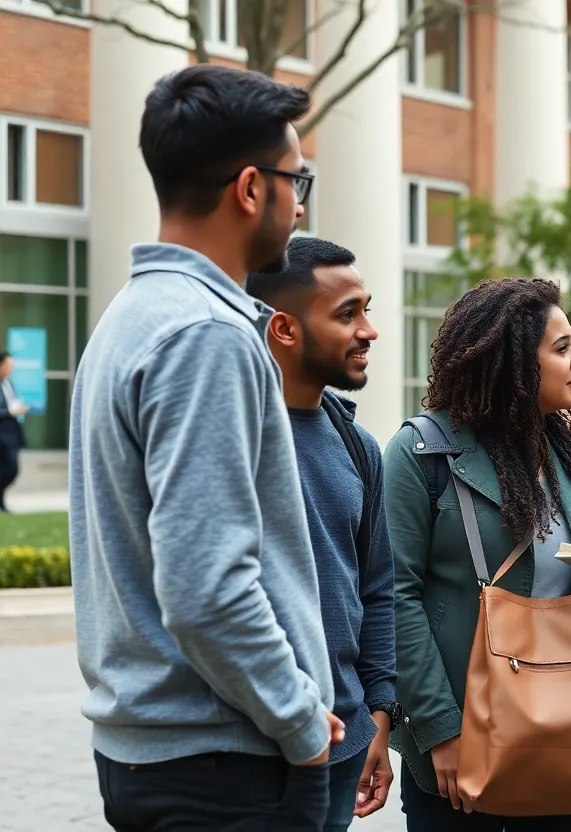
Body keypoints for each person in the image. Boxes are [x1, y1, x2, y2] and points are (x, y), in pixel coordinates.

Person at [68, 65, 342, 830]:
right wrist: (298, 718)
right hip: (225, 766)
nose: (299, 202)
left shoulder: (132, 317)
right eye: (298, 179)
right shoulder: (208, 336)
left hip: (163, 756)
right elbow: (207, 587)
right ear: (251, 188)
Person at [384, 277, 571, 832]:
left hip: (565, 734)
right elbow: (395, 596)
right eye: (562, 348)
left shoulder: (568, 454)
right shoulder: (421, 452)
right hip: (462, 736)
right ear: (514, 362)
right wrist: (438, 727)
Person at [245, 236, 398, 830]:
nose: (369, 330)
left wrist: (377, 717)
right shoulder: (236, 439)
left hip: (345, 742)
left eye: (366, 309)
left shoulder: (358, 447)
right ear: (284, 328)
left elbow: (377, 588)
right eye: (347, 314)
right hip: (255, 747)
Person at [0, 352, 27, 512]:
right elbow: (7, 409)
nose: (11, 368)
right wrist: (10, 411)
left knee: (12, 469)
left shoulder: (8, 384)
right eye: (9, 365)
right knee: (6, 469)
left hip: (12, 433)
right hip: (1, 434)